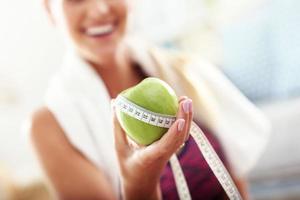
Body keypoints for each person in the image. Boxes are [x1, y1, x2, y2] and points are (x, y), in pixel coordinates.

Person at [29, 0, 270, 199]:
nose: (100, 9)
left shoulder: (184, 70)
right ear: (49, 9)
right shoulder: (48, 126)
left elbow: (234, 180)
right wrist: (139, 185)